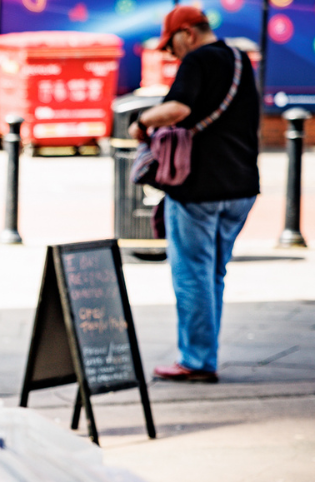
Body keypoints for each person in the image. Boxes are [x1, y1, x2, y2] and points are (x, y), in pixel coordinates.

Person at [130, 6, 259, 383]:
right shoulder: (239, 59)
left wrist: (143, 121)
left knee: (192, 275)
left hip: (198, 188)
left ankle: (197, 360)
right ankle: (203, 353)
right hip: (241, 188)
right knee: (213, 273)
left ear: (187, 33)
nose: (171, 55)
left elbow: (179, 108)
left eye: (171, 46)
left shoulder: (198, 59)